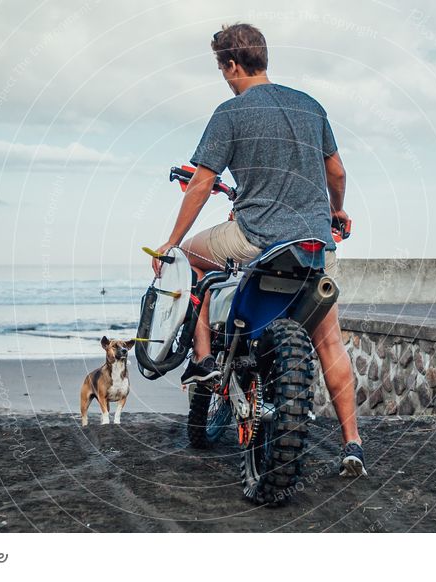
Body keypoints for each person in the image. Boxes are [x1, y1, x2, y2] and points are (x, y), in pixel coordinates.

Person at [152, 23, 366, 477]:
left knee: (192, 257)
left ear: (232, 65)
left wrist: (170, 242)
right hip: (313, 247)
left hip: (254, 240)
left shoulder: (231, 112)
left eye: (222, 68)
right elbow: (338, 174)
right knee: (329, 340)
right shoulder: (311, 106)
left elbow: (203, 182)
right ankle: (353, 445)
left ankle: (205, 360)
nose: (224, 77)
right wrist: (337, 212)